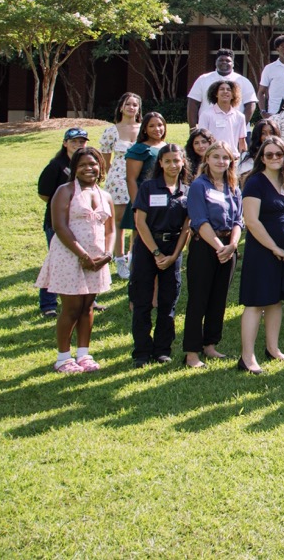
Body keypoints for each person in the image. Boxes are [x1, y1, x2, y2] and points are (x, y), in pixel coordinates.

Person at [37, 146, 114, 372]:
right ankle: (63, 358)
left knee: (88, 307)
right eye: (82, 165)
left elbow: (111, 230)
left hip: (97, 259)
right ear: (74, 169)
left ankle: (84, 354)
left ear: (100, 166)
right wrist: (82, 255)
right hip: (69, 256)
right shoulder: (65, 191)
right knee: (71, 308)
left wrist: (107, 255)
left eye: (93, 164)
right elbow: (59, 226)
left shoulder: (105, 195)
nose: (88, 168)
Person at [238, 137, 284, 374]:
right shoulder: (254, 182)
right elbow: (252, 221)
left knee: (276, 300)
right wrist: (274, 248)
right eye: (269, 155)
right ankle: (247, 357)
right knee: (256, 302)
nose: (274, 158)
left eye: (279, 154)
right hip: (263, 250)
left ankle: (272, 349)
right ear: (262, 158)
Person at [129, 143, 191, 366]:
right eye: (168, 161)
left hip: (173, 249)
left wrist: (174, 256)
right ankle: (142, 352)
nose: (173, 165)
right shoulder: (148, 187)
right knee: (142, 301)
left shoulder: (187, 191)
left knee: (168, 302)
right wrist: (155, 252)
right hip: (148, 248)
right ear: (161, 164)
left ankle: (162, 349)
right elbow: (140, 222)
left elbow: (187, 227)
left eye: (177, 160)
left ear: (183, 162)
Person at [183, 141, 242, 369]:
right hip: (206, 246)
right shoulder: (199, 186)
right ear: (207, 159)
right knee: (199, 300)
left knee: (219, 299)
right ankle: (191, 353)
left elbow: (238, 220)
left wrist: (232, 245)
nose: (221, 161)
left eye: (225, 158)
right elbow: (199, 220)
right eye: (216, 157)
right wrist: (220, 247)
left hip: (229, 247)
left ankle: (210, 344)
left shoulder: (233, 186)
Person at [99, 92, 141, 278]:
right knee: (119, 220)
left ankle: (134, 256)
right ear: (121, 107)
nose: (131, 108)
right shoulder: (111, 131)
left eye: (135, 105)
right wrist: (115, 176)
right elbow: (106, 160)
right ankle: (119, 258)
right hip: (118, 180)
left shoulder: (144, 129)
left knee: (138, 220)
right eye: (128, 104)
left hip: (140, 179)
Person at [123, 112, 168, 251]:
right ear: (144, 129)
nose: (157, 129)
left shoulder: (167, 147)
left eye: (160, 125)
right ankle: (134, 264)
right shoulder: (139, 149)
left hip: (163, 199)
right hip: (144, 199)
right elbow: (131, 179)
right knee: (140, 237)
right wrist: (137, 206)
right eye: (152, 126)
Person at [187, 48, 257, 126]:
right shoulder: (203, 79)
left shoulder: (243, 81)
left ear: (233, 64)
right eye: (221, 60)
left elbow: (251, 104)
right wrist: (192, 127)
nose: (224, 62)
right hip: (208, 128)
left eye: (228, 61)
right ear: (216, 62)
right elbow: (193, 103)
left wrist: (242, 126)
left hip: (236, 130)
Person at [199, 80, 249, 156]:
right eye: (222, 89)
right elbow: (202, 140)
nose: (225, 91)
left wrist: (244, 160)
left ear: (233, 95)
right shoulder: (206, 115)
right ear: (216, 94)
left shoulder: (240, 116)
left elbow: (242, 141)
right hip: (213, 157)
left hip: (233, 157)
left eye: (229, 90)